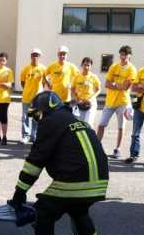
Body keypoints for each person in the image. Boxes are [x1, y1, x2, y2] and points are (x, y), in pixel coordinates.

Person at [9, 91, 109, 235]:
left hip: (75, 181)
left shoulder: (50, 122)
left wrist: (19, 192)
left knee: (43, 212)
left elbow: (35, 162)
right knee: (78, 211)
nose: (37, 119)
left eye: (36, 114)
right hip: (99, 181)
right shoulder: (77, 121)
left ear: (45, 109)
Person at [97, 45, 137, 158]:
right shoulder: (114, 66)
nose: (123, 56)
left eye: (125, 54)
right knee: (101, 124)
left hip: (123, 102)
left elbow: (126, 87)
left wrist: (114, 84)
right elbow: (107, 84)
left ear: (129, 55)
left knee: (121, 126)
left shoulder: (132, 69)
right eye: (121, 54)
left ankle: (117, 149)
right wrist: (118, 85)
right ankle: (97, 146)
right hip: (110, 101)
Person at [20, 48, 46, 144]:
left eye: (37, 55)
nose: (35, 57)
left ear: (40, 57)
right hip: (26, 97)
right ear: (31, 56)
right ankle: (25, 136)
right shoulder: (26, 69)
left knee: (36, 117)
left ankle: (34, 136)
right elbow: (22, 82)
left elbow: (44, 82)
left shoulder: (43, 68)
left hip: (38, 99)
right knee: (25, 117)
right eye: (33, 55)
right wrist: (28, 90)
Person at [72, 57, 101, 126]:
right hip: (80, 103)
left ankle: (91, 136)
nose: (86, 67)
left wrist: (92, 98)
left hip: (90, 103)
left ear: (91, 66)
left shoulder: (93, 77)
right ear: (82, 65)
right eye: (85, 65)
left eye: (88, 65)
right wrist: (77, 99)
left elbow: (99, 89)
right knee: (80, 124)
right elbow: (72, 89)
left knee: (88, 123)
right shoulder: (77, 76)